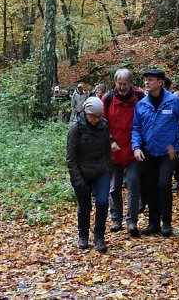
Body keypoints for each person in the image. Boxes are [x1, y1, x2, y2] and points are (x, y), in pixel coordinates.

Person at [132, 68, 179, 237]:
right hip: (149, 152)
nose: (147, 82)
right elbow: (135, 128)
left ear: (160, 82)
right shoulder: (142, 104)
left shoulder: (174, 101)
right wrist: (136, 147)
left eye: (150, 80)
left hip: (169, 151)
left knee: (164, 184)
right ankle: (153, 223)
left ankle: (166, 222)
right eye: (146, 80)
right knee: (150, 186)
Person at [66, 97, 112, 253]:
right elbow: (71, 158)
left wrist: (107, 167)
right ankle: (83, 235)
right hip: (82, 172)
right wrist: (77, 180)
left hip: (101, 171)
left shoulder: (104, 125)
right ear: (86, 113)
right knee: (85, 206)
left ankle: (99, 237)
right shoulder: (76, 129)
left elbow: (107, 150)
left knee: (102, 202)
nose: (96, 120)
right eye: (93, 116)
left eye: (99, 116)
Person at [103, 68, 146, 237]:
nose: (122, 87)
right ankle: (116, 219)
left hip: (134, 150)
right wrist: (110, 140)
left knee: (134, 184)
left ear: (131, 83)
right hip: (113, 150)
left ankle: (132, 221)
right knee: (114, 187)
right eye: (119, 84)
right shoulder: (107, 99)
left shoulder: (141, 97)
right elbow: (102, 123)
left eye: (125, 84)